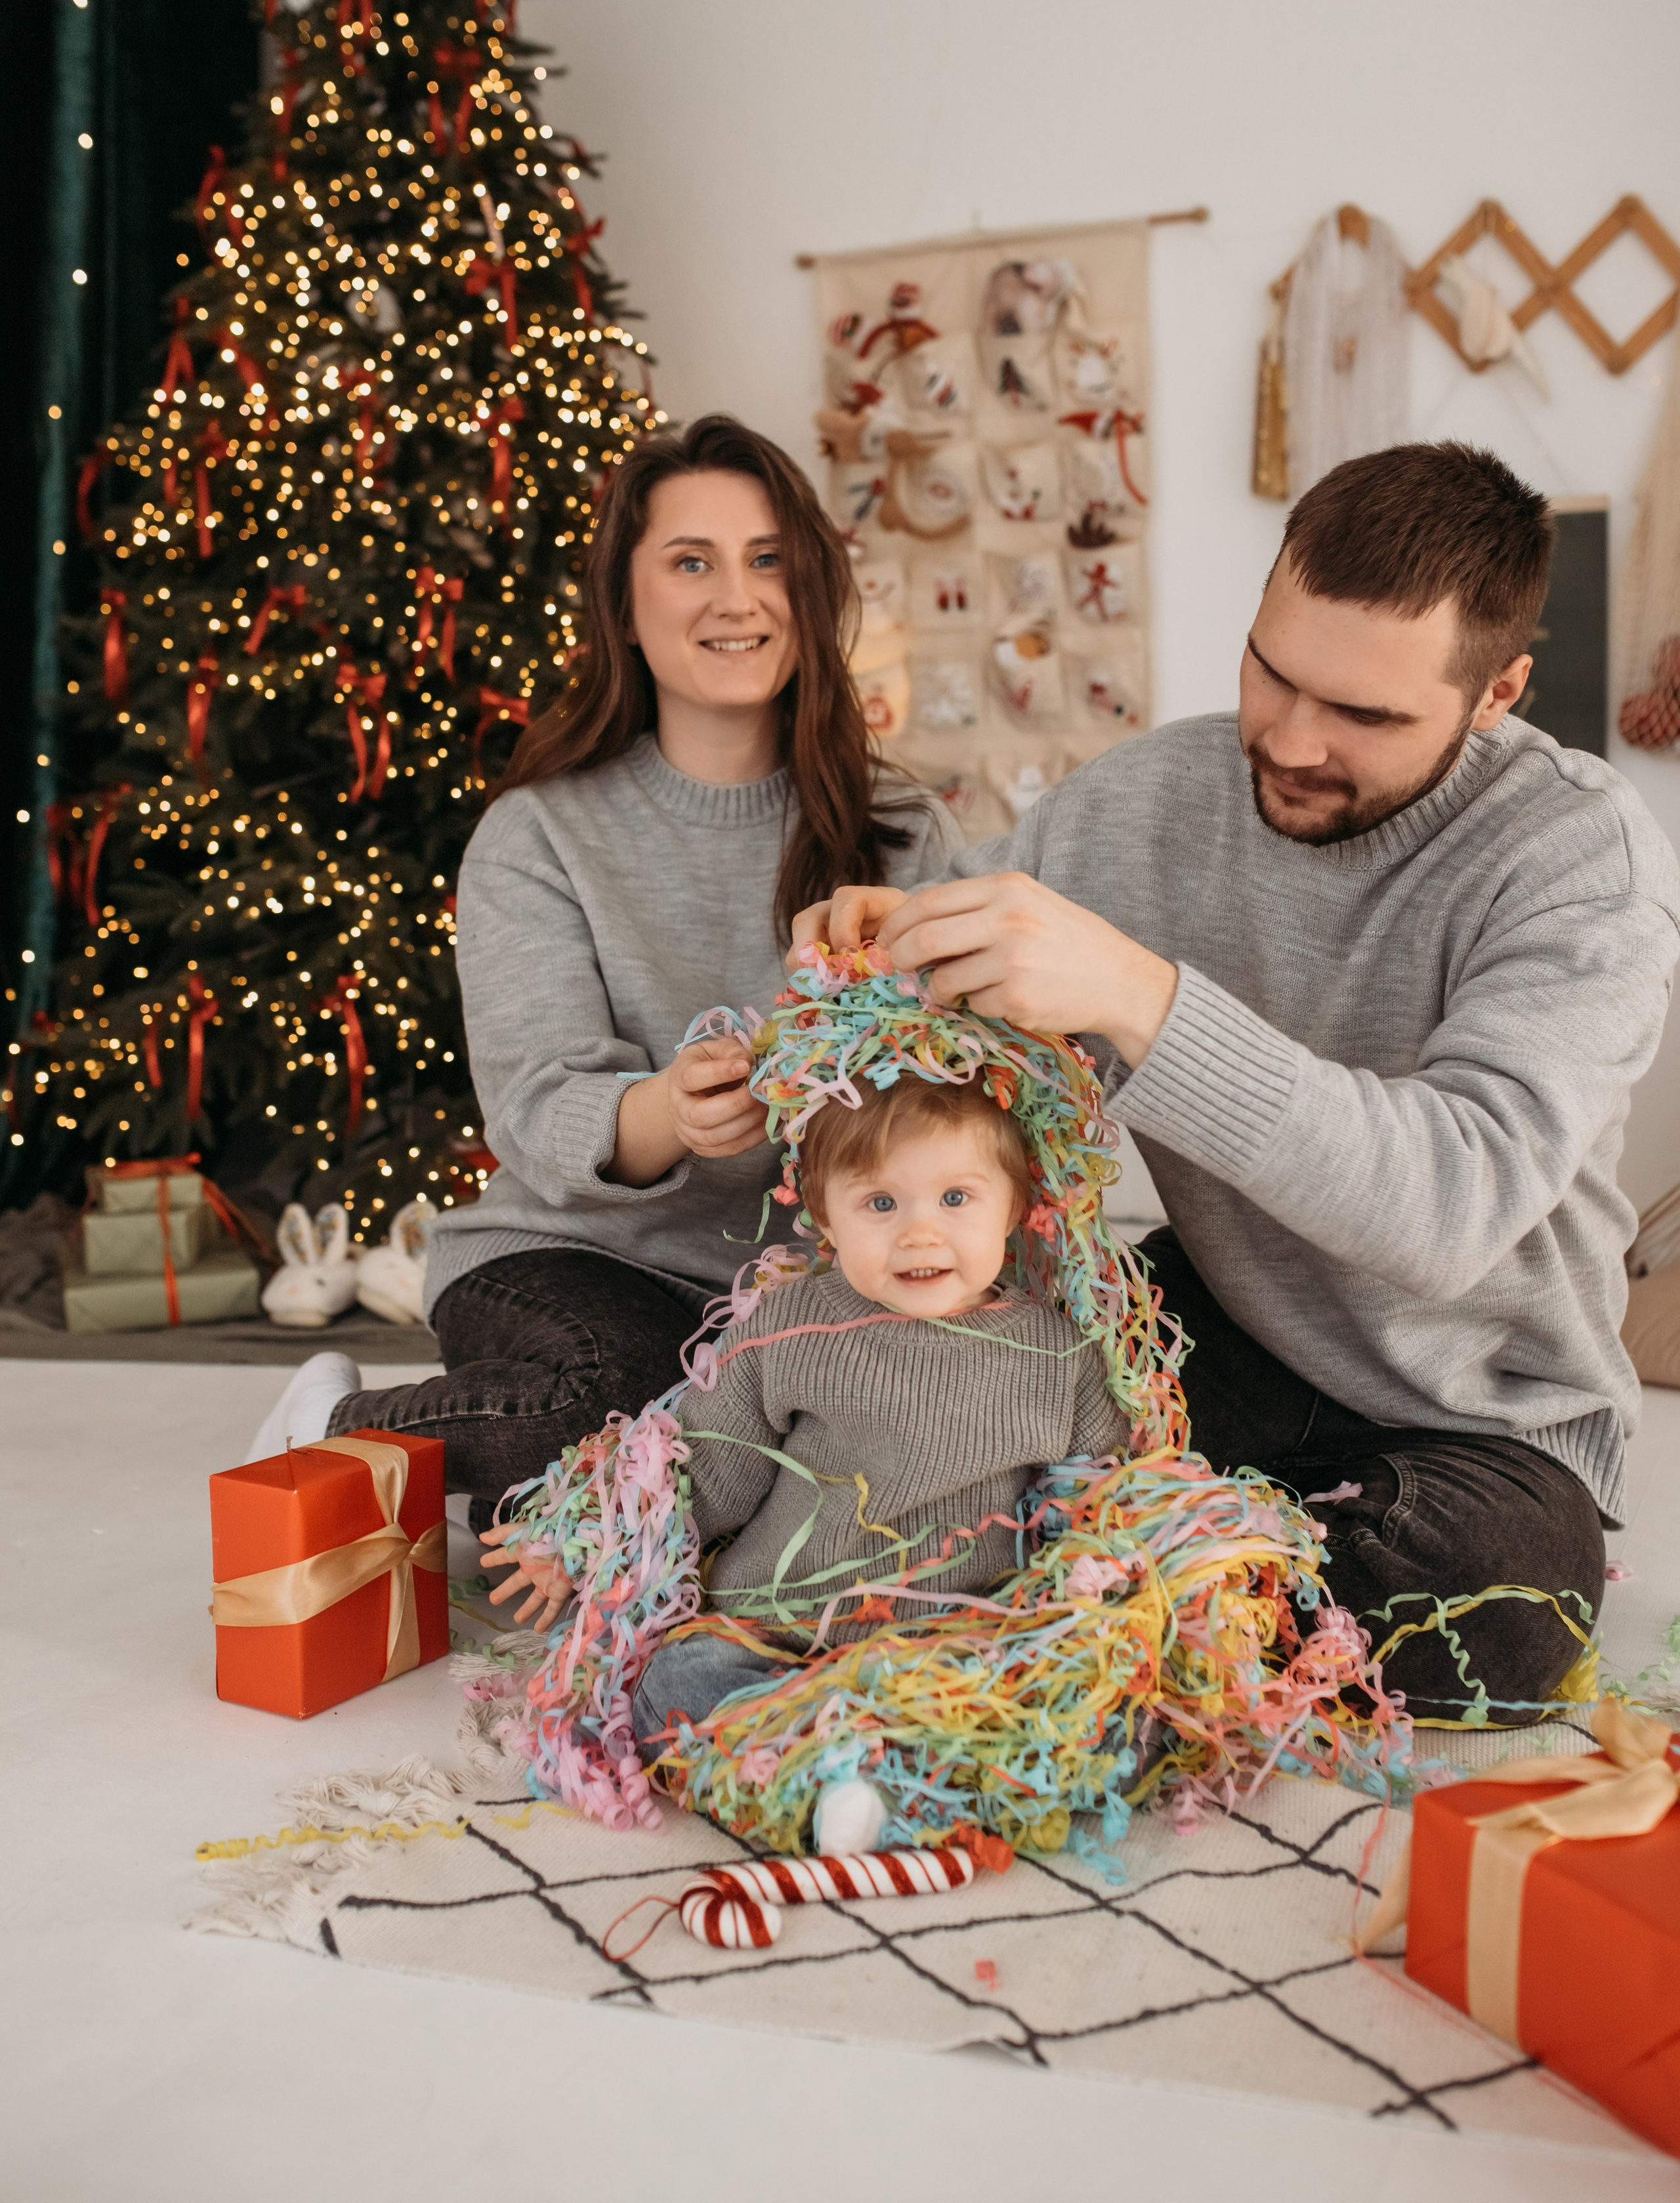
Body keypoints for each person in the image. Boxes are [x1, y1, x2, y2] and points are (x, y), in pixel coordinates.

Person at [796, 442, 1680, 1718]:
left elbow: (1448, 1210)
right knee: (898, 1397)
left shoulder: (1577, 856)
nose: (1292, 739)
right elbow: (957, 996)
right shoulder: (1144, 796)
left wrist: (1138, 997)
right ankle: (1125, 1578)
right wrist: (895, 951)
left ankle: (1067, 1590)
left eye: (1366, 715)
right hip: (1209, 1336)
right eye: (1272, 671)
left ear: (1497, 695)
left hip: (1476, 1411)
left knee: (1496, 1622)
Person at [245, 415, 953, 1519]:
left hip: (818, 1283)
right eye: (691, 563)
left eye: (769, 561)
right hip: (579, 1260)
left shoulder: (905, 832)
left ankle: (568, 1510)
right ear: (625, 609)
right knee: (616, 1406)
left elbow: (978, 1088)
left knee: (930, 1419)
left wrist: (916, 982)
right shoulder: (538, 835)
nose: (738, 598)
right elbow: (537, 1107)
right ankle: (333, 1428)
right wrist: (670, 1111)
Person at [484, 1068, 1131, 1855]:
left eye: (956, 1199)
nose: (920, 1234)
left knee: (1110, 1717)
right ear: (825, 1213)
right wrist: (586, 1538)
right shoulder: (790, 1330)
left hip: (953, 1644)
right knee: (672, 1689)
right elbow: (703, 1472)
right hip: (779, 1633)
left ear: (1017, 1207)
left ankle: (869, 1779)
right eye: (880, 1204)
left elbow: (1101, 1500)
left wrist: (1098, 1594)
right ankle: (846, 1780)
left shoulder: (1056, 1353)